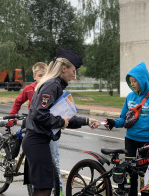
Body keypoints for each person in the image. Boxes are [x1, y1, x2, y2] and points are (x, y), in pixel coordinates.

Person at [22, 48, 101, 196]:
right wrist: (59, 122)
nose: (73, 75)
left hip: (37, 141)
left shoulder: (55, 85)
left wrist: (87, 120)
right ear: (63, 68)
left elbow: (64, 119)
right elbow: (41, 113)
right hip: (36, 141)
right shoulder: (52, 85)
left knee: (41, 187)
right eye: (73, 70)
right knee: (45, 187)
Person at [105, 62, 149, 196]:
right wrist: (114, 122)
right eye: (130, 81)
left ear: (143, 80)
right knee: (131, 174)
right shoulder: (130, 97)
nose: (132, 84)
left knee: (145, 175)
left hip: (147, 143)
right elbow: (123, 120)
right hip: (130, 140)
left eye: (135, 81)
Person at [9, 62, 64, 195]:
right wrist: (12, 116)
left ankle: (59, 189)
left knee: (54, 158)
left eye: (45, 75)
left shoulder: (50, 87)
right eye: (40, 75)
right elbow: (18, 101)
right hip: (34, 126)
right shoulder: (29, 89)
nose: (42, 78)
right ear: (34, 76)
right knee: (34, 159)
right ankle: (36, 187)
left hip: (50, 126)